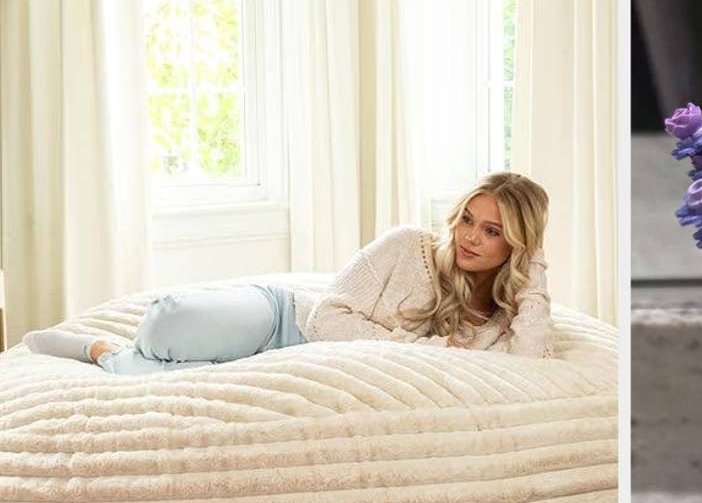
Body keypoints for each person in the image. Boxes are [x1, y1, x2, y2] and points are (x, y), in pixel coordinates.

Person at [22, 171, 554, 373]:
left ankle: (106, 358)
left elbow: (532, 362)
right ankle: (106, 349)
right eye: (468, 219)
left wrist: (535, 273)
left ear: (518, 244)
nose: (469, 237)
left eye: (492, 231)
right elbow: (326, 317)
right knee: (167, 323)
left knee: (182, 386)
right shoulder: (407, 245)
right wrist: (423, 349)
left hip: (310, 367)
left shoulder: (504, 316)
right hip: (284, 323)